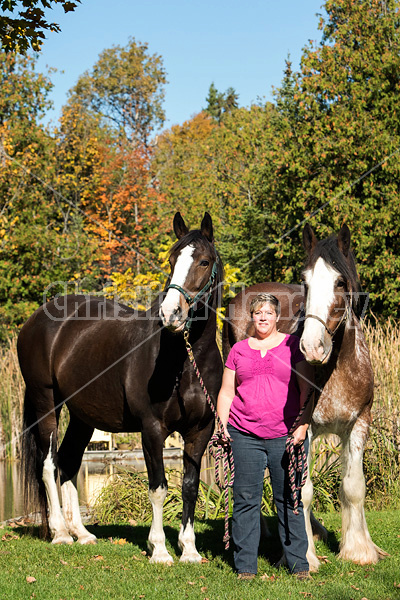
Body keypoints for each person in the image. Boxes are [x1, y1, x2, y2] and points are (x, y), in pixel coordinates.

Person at [217, 292, 314, 580]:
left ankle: (299, 565)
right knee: (246, 498)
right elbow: (226, 391)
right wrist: (221, 425)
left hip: (286, 435)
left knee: (289, 499)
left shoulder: (292, 345)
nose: (262, 317)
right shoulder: (238, 350)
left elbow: (308, 389)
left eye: (268, 313)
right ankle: (246, 566)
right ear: (252, 317)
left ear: (276, 317)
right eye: (258, 312)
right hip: (244, 433)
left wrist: (303, 424)